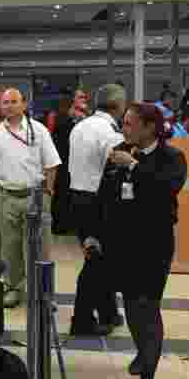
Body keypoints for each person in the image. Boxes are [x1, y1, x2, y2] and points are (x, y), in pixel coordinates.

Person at [100, 103, 188, 379]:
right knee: (132, 306)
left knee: (147, 307)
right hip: (124, 244)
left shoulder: (172, 157)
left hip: (154, 244)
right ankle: (142, 352)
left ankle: (148, 378)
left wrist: (134, 167)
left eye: (128, 123)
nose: (123, 129)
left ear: (149, 127)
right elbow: (107, 196)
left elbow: (165, 188)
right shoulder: (119, 152)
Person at [0, 88, 62, 308]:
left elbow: (51, 164)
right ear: (0, 107)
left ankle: (43, 294)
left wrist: (48, 192)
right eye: (5, 102)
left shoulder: (38, 130)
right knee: (9, 248)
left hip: (35, 196)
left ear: (24, 104)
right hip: (7, 196)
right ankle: (13, 288)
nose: (9, 106)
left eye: (14, 101)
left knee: (40, 248)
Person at [68, 84, 128, 335]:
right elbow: (118, 162)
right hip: (97, 202)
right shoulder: (108, 131)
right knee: (97, 262)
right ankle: (81, 319)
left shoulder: (81, 126)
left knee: (99, 259)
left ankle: (107, 312)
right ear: (118, 106)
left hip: (78, 198)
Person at [51, 88, 89, 235]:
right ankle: (60, 225)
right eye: (80, 97)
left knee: (72, 192)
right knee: (62, 192)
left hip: (77, 161)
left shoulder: (84, 116)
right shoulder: (61, 116)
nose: (83, 99)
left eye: (84, 97)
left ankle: (71, 223)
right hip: (63, 160)